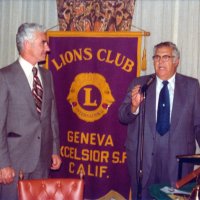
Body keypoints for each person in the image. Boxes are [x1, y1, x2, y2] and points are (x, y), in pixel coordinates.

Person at [118, 41, 200, 199]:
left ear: (176, 61)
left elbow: (198, 124)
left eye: (166, 57)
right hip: (142, 159)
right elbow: (122, 116)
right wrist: (134, 106)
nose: (160, 61)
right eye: (156, 57)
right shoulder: (140, 83)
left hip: (178, 160)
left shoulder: (191, 86)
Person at [0, 23, 62, 200]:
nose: (48, 48)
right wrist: (3, 164)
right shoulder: (4, 77)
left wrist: (55, 150)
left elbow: (52, 117)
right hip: (14, 162)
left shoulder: (47, 76)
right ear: (27, 44)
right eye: (43, 43)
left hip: (42, 160)